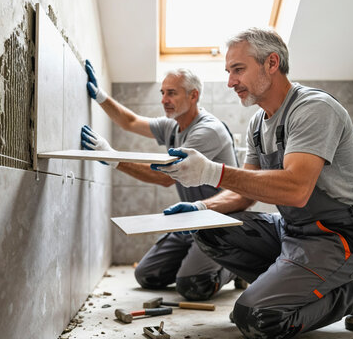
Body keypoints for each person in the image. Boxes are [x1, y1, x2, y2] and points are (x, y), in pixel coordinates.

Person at [153, 27, 353, 337]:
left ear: (271, 63)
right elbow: (243, 194)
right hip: (293, 230)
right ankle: (284, 283)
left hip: (341, 235)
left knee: (256, 318)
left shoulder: (313, 108)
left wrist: (210, 172)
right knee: (208, 231)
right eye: (228, 71)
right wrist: (199, 207)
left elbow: (297, 189)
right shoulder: (257, 123)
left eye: (238, 69)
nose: (230, 81)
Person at [81, 61, 246, 301]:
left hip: (217, 222)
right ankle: (196, 257)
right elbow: (131, 122)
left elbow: (165, 177)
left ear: (193, 96)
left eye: (171, 93)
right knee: (147, 275)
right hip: (191, 221)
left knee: (193, 286)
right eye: (162, 92)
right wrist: (101, 96)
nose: (164, 99)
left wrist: (114, 159)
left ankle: (235, 266)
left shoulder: (207, 131)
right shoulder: (173, 126)